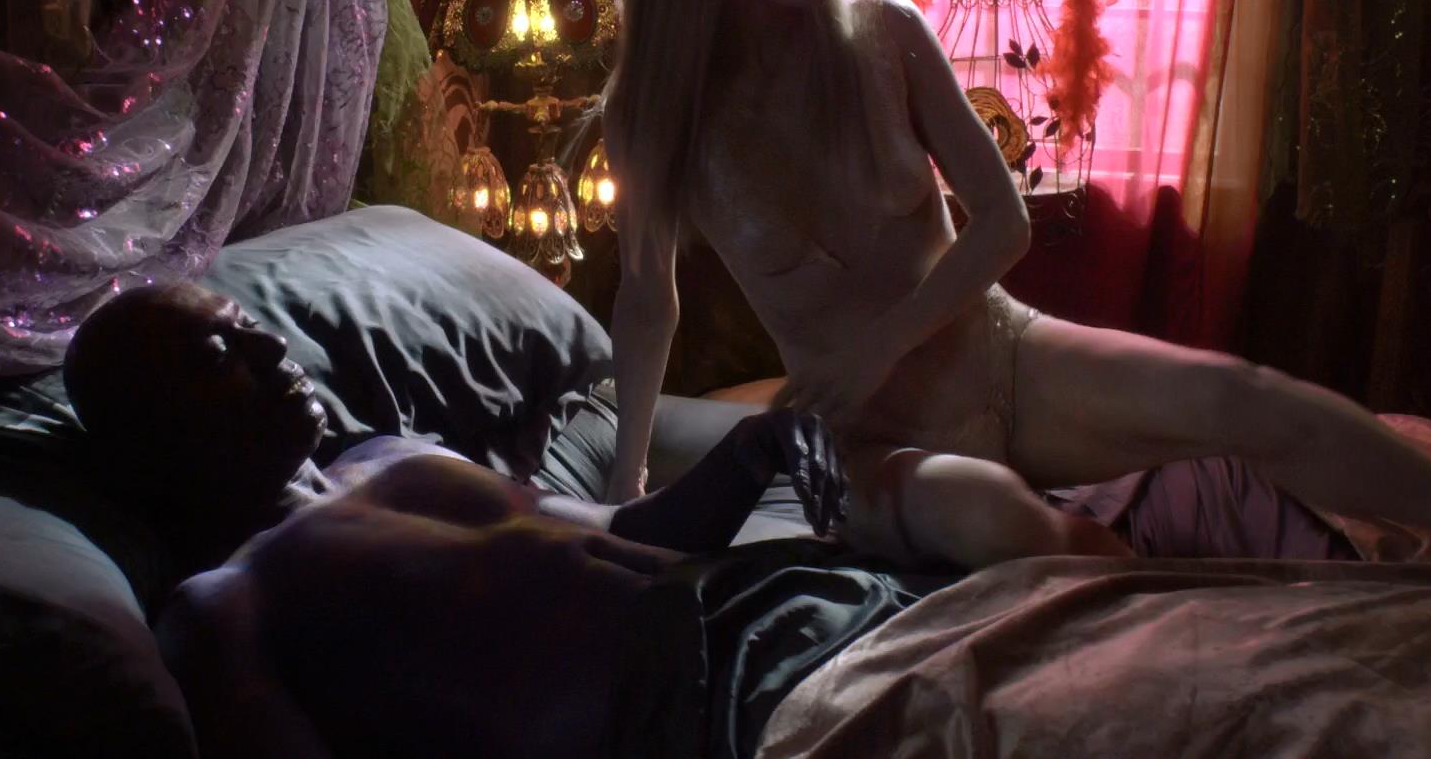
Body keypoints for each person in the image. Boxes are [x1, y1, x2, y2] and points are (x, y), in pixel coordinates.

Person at [599, 0, 1431, 593]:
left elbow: (1003, 224)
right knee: (988, 517)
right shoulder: (654, 120)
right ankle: (1187, 602)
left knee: (1241, 395)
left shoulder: (884, 35)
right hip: (865, 437)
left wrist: (881, 342)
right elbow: (647, 305)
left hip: (1004, 361)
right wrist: (624, 485)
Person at [66, 283, 1086, 759]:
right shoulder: (221, 608)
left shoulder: (390, 456)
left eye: (253, 331)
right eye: (220, 358)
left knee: (1083, 639)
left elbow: (630, 529)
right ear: (156, 427)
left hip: (777, 608)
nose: (272, 358)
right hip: (701, 721)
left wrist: (750, 453)